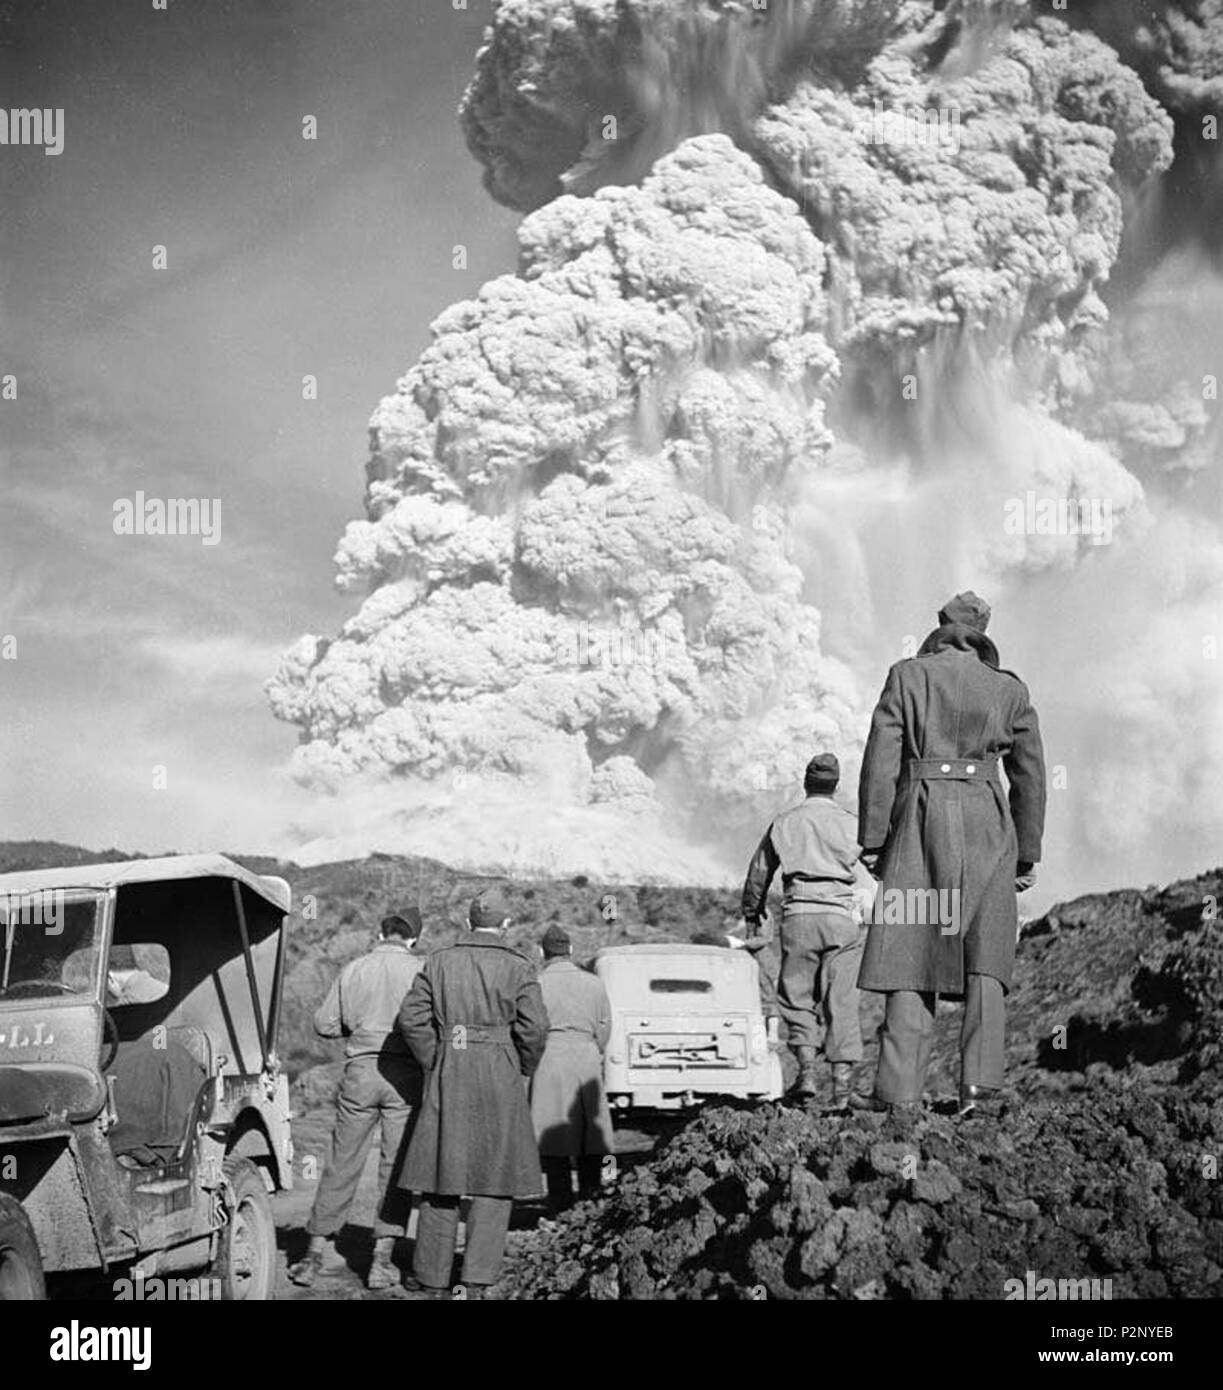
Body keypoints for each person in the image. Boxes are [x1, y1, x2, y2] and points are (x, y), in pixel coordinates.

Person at [854, 591, 1046, 1116]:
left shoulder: (906, 675)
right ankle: (980, 1089)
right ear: (984, 629)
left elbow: (881, 760)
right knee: (985, 956)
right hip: (988, 822)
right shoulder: (1009, 689)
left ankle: (897, 1093)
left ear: (941, 625)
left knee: (910, 951)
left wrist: (875, 838)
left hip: (918, 819)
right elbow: (1028, 775)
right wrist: (1026, 852)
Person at [396, 886, 548, 1297]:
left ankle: (431, 1278)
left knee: (440, 1175)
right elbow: (534, 1029)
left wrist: (436, 1058)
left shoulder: (439, 960)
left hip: (450, 1066)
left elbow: (411, 1019)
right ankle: (477, 1280)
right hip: (499, 1071)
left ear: (467, 922)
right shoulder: (519, 966)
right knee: (494, 1181)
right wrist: (520, 1066)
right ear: (506, 924)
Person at [288, 910, 426, 1291]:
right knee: (395, 1168)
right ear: (414, 938)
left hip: (360, 1072)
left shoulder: (354, 968)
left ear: (379, 932)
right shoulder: (422, 969)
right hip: (405, 1077)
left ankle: (312, 1254)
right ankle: (382, 1260)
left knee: (341, 1162)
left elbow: (324, 1024)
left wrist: (355, 1026)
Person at [741, 752, 875, 1108]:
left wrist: (752, 913)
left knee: (797, 995)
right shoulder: (851, 824)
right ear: (836, 784)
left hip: (798, 917)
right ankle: (843, 1090)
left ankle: (806, 1076)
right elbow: (879, 861)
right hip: (841, 921)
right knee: (841, 1000)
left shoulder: (784, 822)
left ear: (806, 782)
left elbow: (759, 873)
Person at [529, 925, 614, 1212]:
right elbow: (605, 1026)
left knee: (554, 1139)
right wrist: (592, 1049)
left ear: (542, 952)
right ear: (571, 951)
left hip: (549, 1060)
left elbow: (528, 1029)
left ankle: (560, 1203)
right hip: (587, 1058)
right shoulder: (594, 983)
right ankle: (591, 1198)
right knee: (590, 1134)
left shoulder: (535, 983)